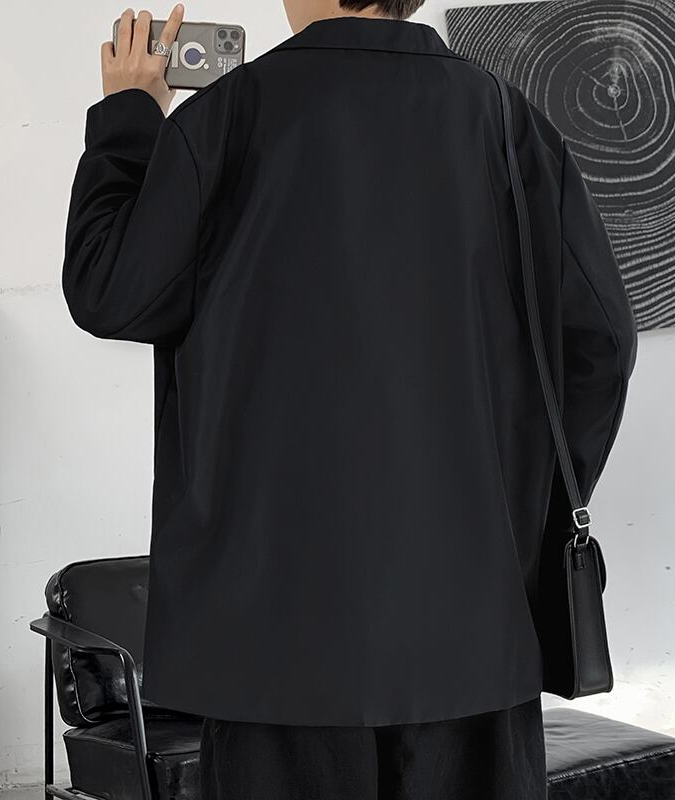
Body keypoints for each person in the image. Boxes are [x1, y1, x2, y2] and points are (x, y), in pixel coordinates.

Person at [61, 0, 639, 797]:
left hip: (274, 632)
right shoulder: (509, 121)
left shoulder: (228, 118)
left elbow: (109, 292)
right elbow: (602, 341)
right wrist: (521, 504)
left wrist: (130, 117)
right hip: (470, 626)